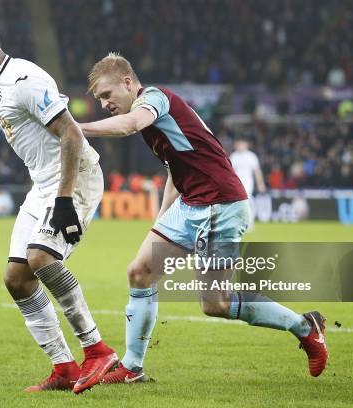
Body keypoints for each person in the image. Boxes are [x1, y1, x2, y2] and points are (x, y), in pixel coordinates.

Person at [79, 53, 328, 384]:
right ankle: (132, 369)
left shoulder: (154, 99)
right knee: (139, 272)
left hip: (219, 204)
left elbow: (130, 124)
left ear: (128, 82)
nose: (105, 103)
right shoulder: (153, 116)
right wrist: (159, 223)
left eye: (107, 95)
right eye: (100, 99)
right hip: (192, 203)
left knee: (216, 304)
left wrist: (75, 128)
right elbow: (174, 169)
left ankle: (303, 326)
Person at [0, 18, 117, 393]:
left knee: (42, 259)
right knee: (15, 279)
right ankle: (64, 368)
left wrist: (63, 199)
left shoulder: (24, 81)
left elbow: (72, 134)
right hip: (43, 185)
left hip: (74, 177)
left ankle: (97, 351)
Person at [229, 139, 266, 230]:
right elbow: (230, 172)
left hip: (248, 183)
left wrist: (260, 184)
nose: (240, 146)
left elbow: (257, 171)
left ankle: (249, 223)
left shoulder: (251, 156)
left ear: (246, 145)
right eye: (238, 144)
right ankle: (239, 223)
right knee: (237, 204)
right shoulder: (234, 156)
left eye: (242, 144)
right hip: (236, 184)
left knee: (247, 200)